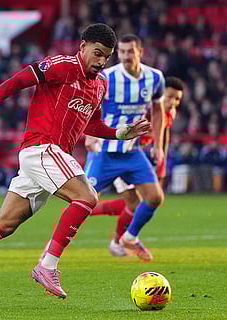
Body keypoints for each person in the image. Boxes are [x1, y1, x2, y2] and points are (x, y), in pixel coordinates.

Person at [0, 23, 151, 299]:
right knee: (87, 197)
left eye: (106, 57)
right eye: (97, 53)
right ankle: (47, 266)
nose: (100, 61)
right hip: (41, 148)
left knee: (2, 225)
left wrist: (121, 132)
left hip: (51, 158)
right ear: (82, 47)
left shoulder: (100, 85)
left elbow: (93, 124)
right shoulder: (62, 66)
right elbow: (20, 79)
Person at [83, 34, 166, 262]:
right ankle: (50, 253)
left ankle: (128, 238)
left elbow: (158, 111)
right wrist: (89, 135)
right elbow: (89, 104)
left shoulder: (155, 78)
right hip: (104, 152)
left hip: (132, 152)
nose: (126, 56)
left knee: (154, 197)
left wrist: (158, 145)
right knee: (83, 202)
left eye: (131, 52)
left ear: (140, 52)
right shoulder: (107, 77)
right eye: (122, 52)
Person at [88, 77, 185, 258]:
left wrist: (161, 164)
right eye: (170, 97)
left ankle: (120, 242)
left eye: (177, 99)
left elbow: (163, 133)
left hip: (132, 155)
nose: (173, 103)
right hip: (112, 152)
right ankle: (119, 240)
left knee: (136, 202)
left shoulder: (169, 114)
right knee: (92, 200)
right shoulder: (143, 109)